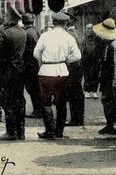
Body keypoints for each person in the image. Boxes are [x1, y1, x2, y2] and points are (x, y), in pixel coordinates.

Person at [33, 11, 81, 140]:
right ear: (65, 23)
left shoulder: (45, 36)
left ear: (53, 22)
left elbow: (36, 53)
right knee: (61, 102)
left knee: (46, 102)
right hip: (62, 71)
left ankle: (49, 131)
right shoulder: (69, 37)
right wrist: (66, 60)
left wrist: (43, 61)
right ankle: (59, 132)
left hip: (46, 71)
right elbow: (77, 56)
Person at [0, 5, 27, 141]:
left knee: (8, 101)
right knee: (20, 101)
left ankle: (11, 132)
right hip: (20, 71)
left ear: (9, 17)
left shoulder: (4, 32)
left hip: (7, 72)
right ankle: (21, 132)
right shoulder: (22, 32)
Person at [93, 18, 116, 135]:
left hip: (113, 79)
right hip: (108, 78)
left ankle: (115, 125)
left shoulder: (114, 45)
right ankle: (111, 125)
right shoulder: (109, 44)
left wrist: (115, 82)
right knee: (110, 102)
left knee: (112, 102)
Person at [64, 12, 84, 126]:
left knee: (73, 93)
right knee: (77, 93)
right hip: (78, 66)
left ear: (70, 20)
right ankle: (78, 118)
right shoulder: (77, 33)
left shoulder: (70, 34)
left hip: (72, 66)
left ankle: (75, 119)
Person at [22, 13, 42, 118]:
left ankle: (37, 111)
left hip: (29, 65)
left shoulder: (27, 33)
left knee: (32, 89)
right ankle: (38, 110)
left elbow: (26, 51)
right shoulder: (35, 31)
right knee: (35, 89)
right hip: (35, 64)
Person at [82, 24, 100, 98]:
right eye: (88, 29)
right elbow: (82, 50)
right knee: (87, 75)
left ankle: (94, 91)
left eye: (91, 29)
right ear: (86, 30)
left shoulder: (96, 39)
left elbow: (99, 48)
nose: (89, 30)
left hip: (95, 60)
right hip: (86, 60)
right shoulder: (84, 39)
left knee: (95, 75)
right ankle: (87, 91)